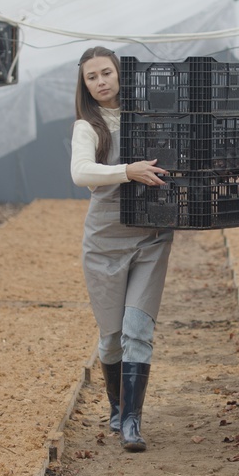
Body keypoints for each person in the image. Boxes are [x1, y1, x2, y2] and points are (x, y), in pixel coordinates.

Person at [69, 46, 173, 452]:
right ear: (84, 84)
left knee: (137, 330)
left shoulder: (145, 114)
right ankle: (117, 407)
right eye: (91, 77)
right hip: (105, 241)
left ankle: (132, 422)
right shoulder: (88, 126)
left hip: (150, 235)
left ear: (120, 74)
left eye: (106, 73)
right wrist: (128, 171)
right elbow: (80, 173)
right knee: (112, 337)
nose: (100, 82)